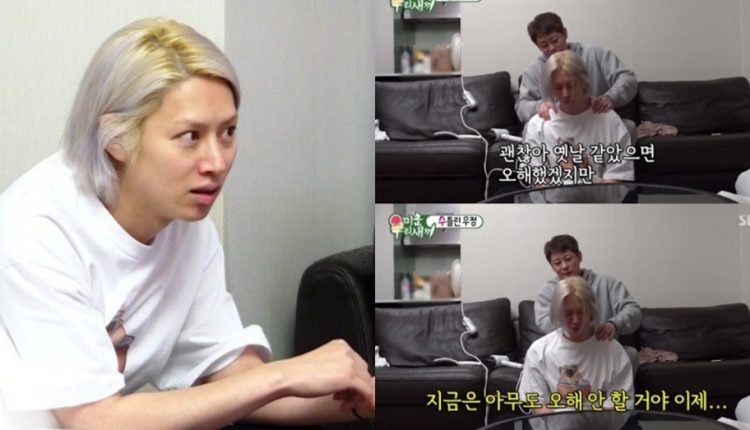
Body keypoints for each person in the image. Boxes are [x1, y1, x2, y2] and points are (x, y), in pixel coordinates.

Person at [0, 18, 374, 429]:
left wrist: (371, 396)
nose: (217, 162)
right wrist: (283, 375)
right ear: (115, 138)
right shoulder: (36, 230)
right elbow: (95, 419)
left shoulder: (186, 226)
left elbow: (232, 377)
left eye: (228, 132)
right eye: (191, 137)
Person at [520, 50, 634, 191]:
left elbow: (617, 176)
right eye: (558, 88)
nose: (565, 94)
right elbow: (537, 178)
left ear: (584, 82)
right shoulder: (538, 125)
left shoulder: (609, 120)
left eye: (571, 85)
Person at [519, 276, 634, 414]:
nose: (575, 320)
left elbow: (619, 404)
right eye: (568, 313)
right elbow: (537, 403)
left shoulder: (614, 351)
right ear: (558, 313)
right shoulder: (539, 351)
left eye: (581, 312)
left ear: (591, 310)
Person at [534, 234, 641, 372]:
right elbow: (544, 322)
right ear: (552, 266)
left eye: (568, 259)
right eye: (557, 263)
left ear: (579, 256)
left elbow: (633, 310)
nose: (564, 266)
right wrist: (577, 332)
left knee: (630, 354)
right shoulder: (546, 293)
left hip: (603, 349)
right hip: (567, 354)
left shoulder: (607, 283)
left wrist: (614, 324)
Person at [515, 12, 637, 129]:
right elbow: (522, 106)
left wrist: (611, 97)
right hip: (559, 129)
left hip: (599, 122)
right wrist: (539, 106)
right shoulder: (533, 71)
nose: (551, 48)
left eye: (554, 40)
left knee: (628, 127)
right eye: (544, 45)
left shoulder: (595, 54)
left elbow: (628, 78)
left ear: (565, 33)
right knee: (529, 129)